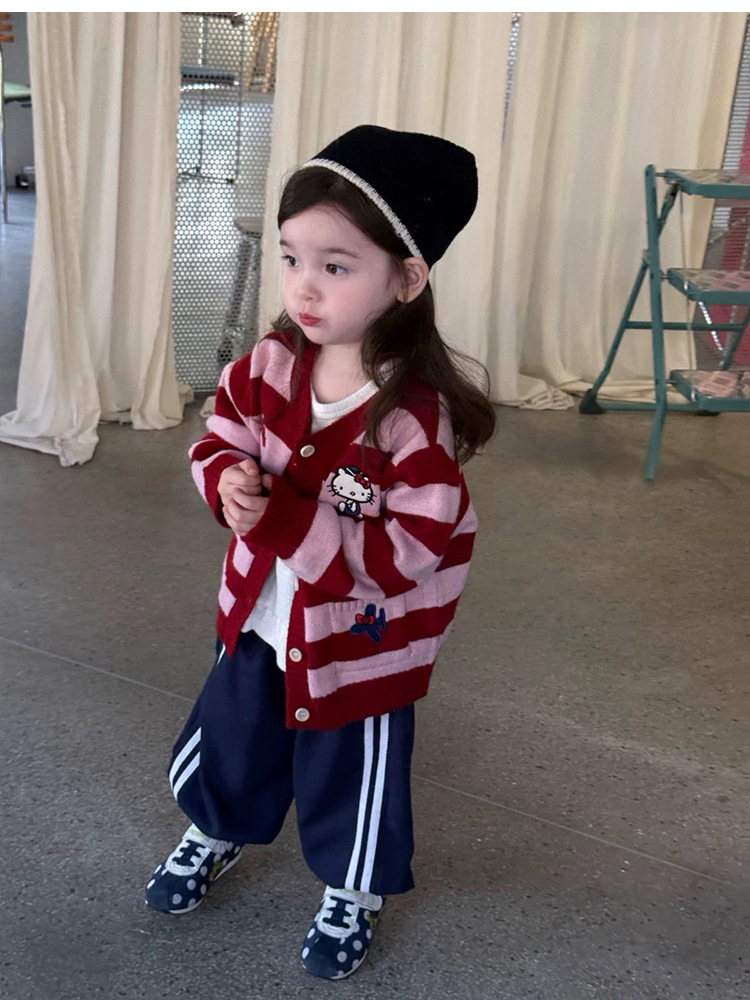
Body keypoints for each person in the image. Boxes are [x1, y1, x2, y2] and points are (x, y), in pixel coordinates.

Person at [144, 124, 496, 980]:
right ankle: (218, 826)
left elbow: (408, 551)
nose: (303, 286)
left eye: (336, 266)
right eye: (291, 257)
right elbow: (220, 434)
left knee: (354, 767)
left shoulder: (412, 422)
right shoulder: (268, 365)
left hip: (360, 644)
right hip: (262, 616)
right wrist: (226, 478)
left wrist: (276, 523)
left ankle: (353, 886)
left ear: (407, 279)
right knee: (237, 732)